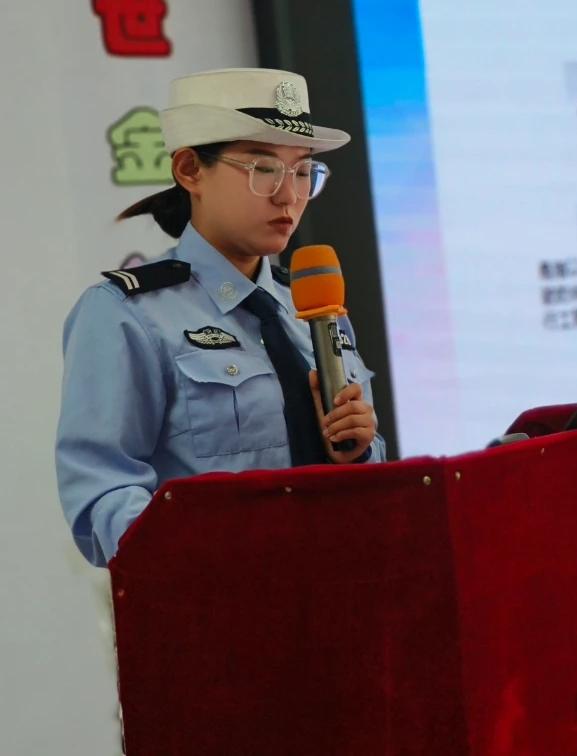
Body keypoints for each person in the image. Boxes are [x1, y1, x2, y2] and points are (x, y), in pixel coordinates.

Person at [56, 68, 387, 568]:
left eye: (302, 171)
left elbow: (372, 479)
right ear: (190, 170)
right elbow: (103, 493)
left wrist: (356, 453)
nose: (288, 196)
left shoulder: (316, 308)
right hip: (218, 597)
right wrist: (211, 566)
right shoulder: (127, 314)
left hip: (345, 583)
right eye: (263, 168)